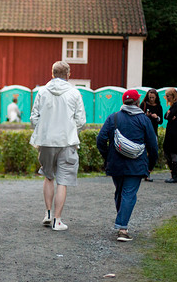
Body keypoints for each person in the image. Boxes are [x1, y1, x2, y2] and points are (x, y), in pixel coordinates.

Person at [29, 61, 86, 231]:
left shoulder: (42, 92)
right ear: (69, 74)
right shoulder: (75, 93)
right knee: (63, 180)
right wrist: (70, 129)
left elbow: (34, 118)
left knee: (48, 176)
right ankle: (57, 220)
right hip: (67, 141)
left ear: (52, 73)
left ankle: (47, 214)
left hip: (46, 141)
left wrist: (44, 130)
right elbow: (81, 121)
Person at [96, 90, 158, 242]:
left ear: (124, 102)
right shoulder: (144, 120)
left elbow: (100, 139)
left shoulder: (114, 118)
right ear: (138, 102)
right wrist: (151, 165)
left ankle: (121, 222)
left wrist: (107, 155)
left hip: (116, 164)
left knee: (120, 192)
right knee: (129, 194)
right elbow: (153, 145)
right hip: (136, 165)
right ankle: (123, 229)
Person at [139, 88, 163, 182]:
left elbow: (161, 121)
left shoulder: (159, 107)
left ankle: (148, 170)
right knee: (142, 152)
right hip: (143, 132)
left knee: (153, 153)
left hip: (153, 132)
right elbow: (139, 116)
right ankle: (143, 172)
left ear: (156, 97)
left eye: (153, 97)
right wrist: (146, 115)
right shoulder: (143, 104)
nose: (151, 99)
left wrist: (156, 117)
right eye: (150, 97)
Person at [162, 87, 177, 183]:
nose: (167, 98)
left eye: (168, 96)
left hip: (175, 133)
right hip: (171, 132)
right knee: (167, 151)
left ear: (173, 95)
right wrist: (169, 115)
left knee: (173, 152)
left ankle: (174, 176)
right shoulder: (174, 105)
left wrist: (170, 115)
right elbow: (165, 116)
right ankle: (173, 174)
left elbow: (169, 116)